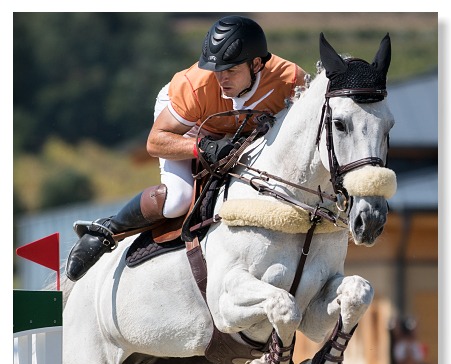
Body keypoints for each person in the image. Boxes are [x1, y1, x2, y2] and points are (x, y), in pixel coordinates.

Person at [66, 15, 306, 281]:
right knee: (177, 200)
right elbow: (155, 141)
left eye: (231, 71)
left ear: (257, 63)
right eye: (217, 70)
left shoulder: (291, 80)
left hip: (239, 134)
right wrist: (201, 146)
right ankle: (106, 230)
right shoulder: (196, 86)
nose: (222, 79)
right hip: (188, 125)